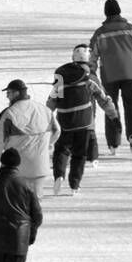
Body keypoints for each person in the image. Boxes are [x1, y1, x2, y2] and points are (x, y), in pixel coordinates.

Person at [47, 44, 116, 195]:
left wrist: (46, 116)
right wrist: (112, 114)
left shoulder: (61, 78)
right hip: (84, 121)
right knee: (79, 154)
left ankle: (59, 175)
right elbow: (103, 98)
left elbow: (52, 100)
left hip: (64, 120)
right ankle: (74, 185)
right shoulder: (90, 78)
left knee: (61, 150)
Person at [89, 0, 132, 154]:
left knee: (110, 107)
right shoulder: (130, 29)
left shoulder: (100, 33)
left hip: (110, 75)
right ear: (119, 11)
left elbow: (92, 56)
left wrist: (91, 73)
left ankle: (113, 143)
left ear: (106, 13)